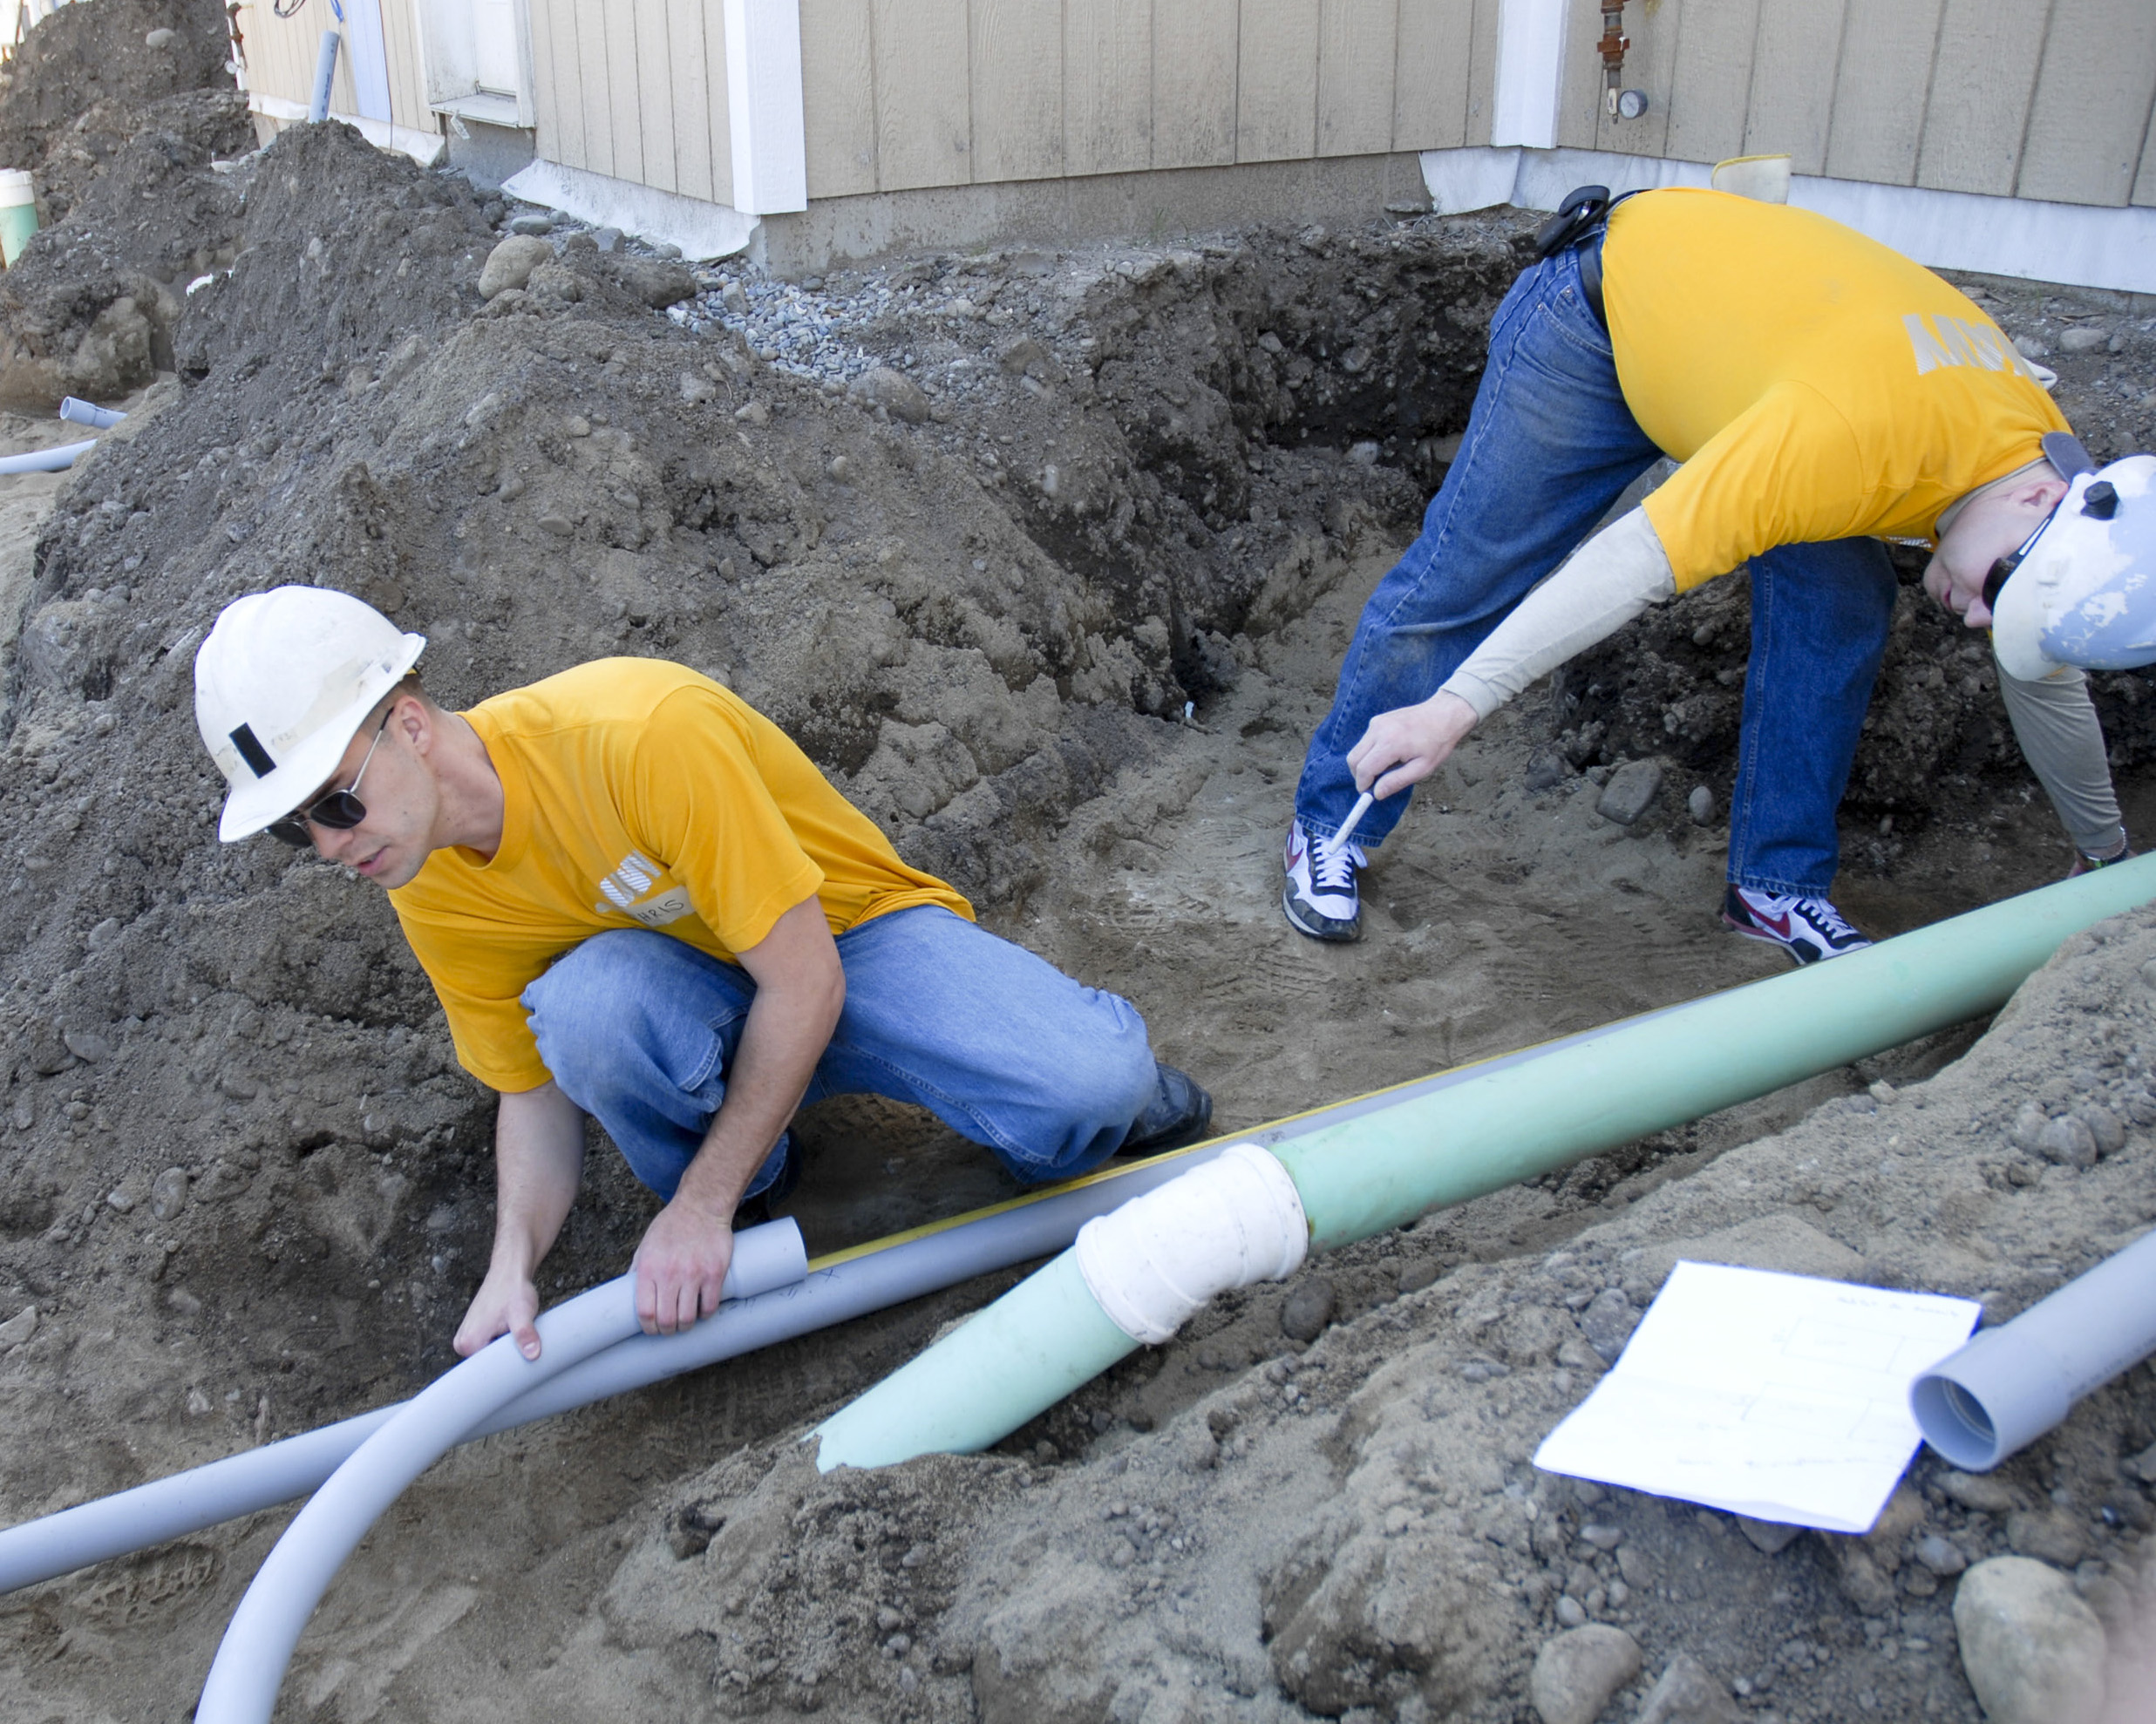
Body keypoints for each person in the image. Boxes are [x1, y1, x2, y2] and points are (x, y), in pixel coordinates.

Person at [193, 587, 1212, 1359]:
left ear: (408, 725)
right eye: (296, 831)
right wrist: (512, 1266)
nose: (330, 846)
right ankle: (767, 1178)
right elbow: (529, 1091)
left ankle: (1084, 1104)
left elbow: (808, 980)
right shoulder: (423, 879)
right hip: (714, 1009)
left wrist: (696, 1205)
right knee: (585, 1011)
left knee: (1091, 1090)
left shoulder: (636, 739)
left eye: (334, 804)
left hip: (845, 944)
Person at [1282, 185, 2144, 964]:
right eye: (2000, 592)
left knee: (1840, 605)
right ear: (2035, 499)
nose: (1983, 622)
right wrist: (1452, 708)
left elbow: (2044, 678)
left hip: (1763, 377)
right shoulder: (1849, 440)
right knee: (1466, 574)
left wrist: (2102, 855)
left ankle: (1775, 886)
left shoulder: (2045, 465)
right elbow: (1633, 562)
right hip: (1602, 319)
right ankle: (1333, 820)